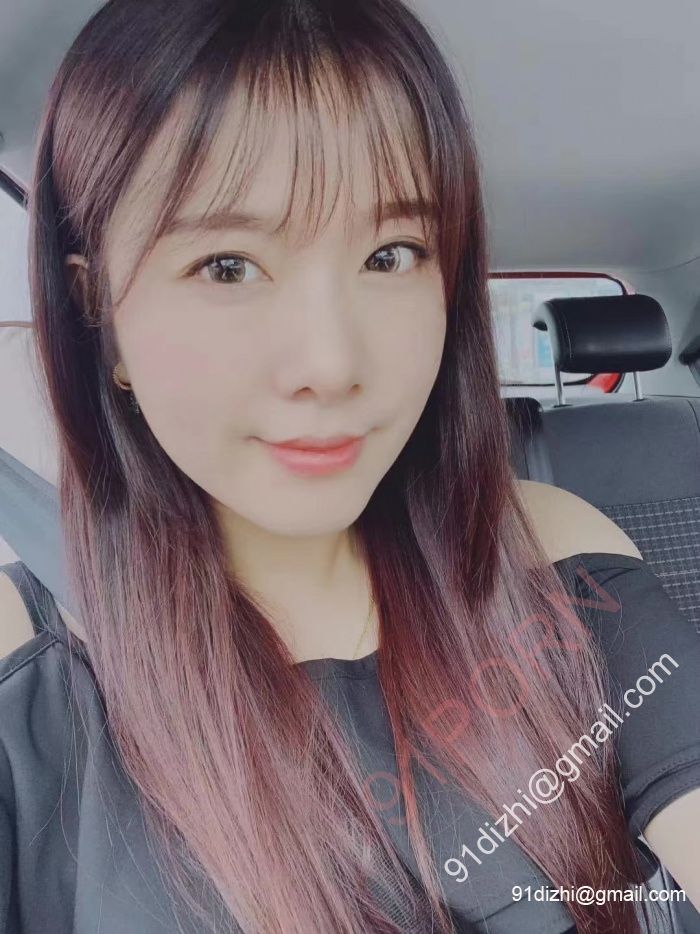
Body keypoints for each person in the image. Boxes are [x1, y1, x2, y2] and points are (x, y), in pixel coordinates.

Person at [1, 1, 699, 931]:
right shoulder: (24, 652)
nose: (331, 364)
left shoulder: (543, 546)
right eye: (227, 266)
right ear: (101, 316)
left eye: (391, 254)